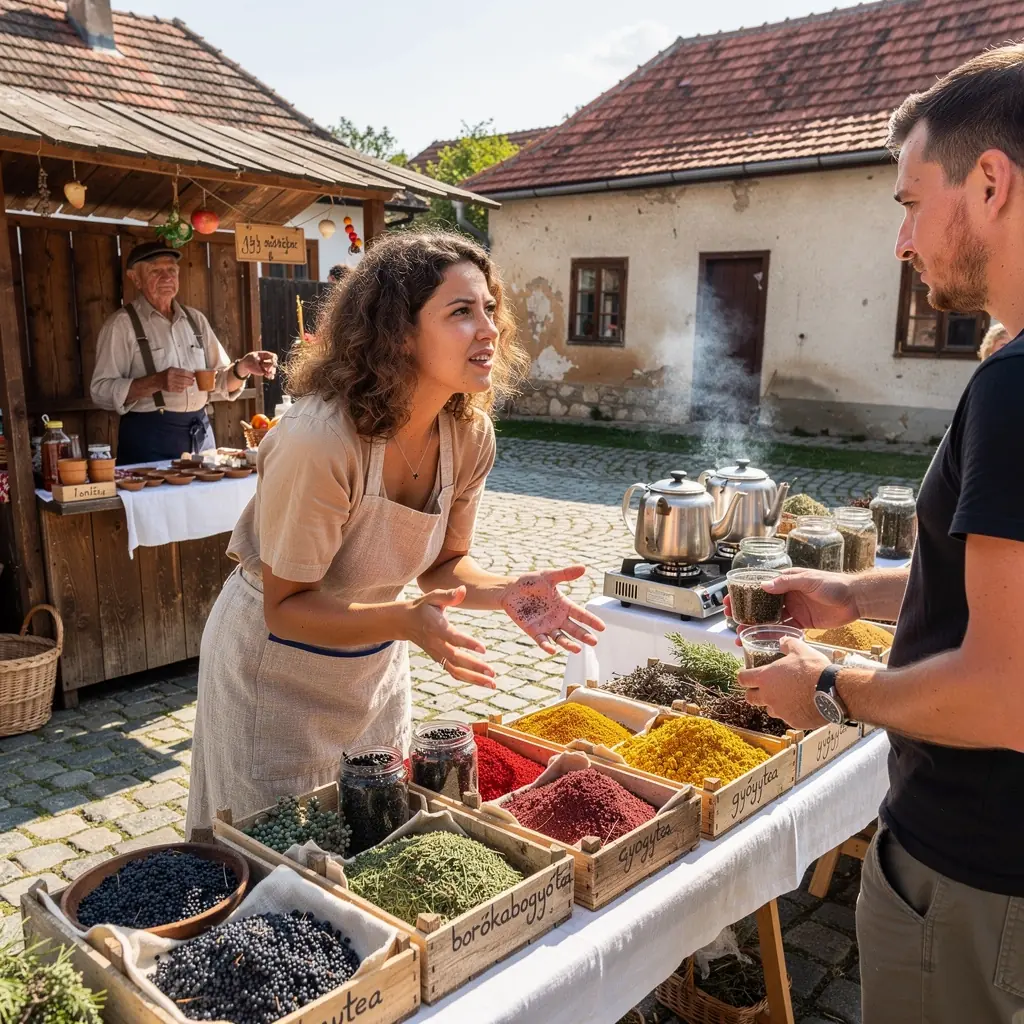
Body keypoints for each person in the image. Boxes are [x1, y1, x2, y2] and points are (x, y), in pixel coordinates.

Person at [730, 45, 1024, 1024]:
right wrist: (859, 598)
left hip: (974, 873)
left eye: (909, 203)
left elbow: (1000, 695)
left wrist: (825, 686)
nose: (901, 242)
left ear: (990, 183)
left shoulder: (1013, 388)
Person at [185, 232, 605, 833]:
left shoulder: (469, 436)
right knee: (272, 858)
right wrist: (406, 620)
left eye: (490, 309)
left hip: (370, 667)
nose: (488, 328)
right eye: (461, 312)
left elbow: (445, 566)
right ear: (399, 333)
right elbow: (286, 608)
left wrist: (510, 589)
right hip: (273, 672)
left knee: (373, 838)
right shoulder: (321, 441)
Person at [90, 241, 278, 464]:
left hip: (200, 437)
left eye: (171, 270)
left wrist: (243, 367)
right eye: (156, 271)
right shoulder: (121, 325)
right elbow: (100, 391)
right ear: (135, 278)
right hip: (148, 440)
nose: (167, 277)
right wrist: (156, 382)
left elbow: (218, 382)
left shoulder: (195, 320)